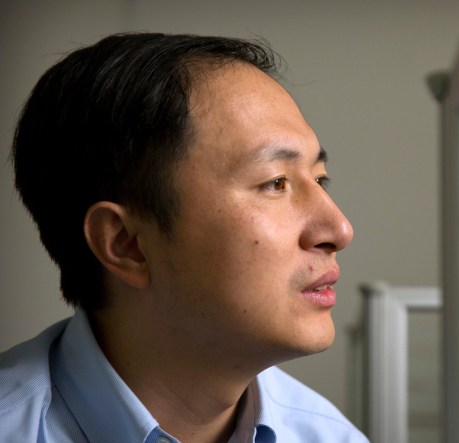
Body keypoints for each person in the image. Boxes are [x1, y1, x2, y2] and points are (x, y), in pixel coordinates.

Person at [0, 32, 367, 443]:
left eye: (320, 179)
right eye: (275, 182)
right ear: (126, 244)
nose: (339, 230)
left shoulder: (330, 435)